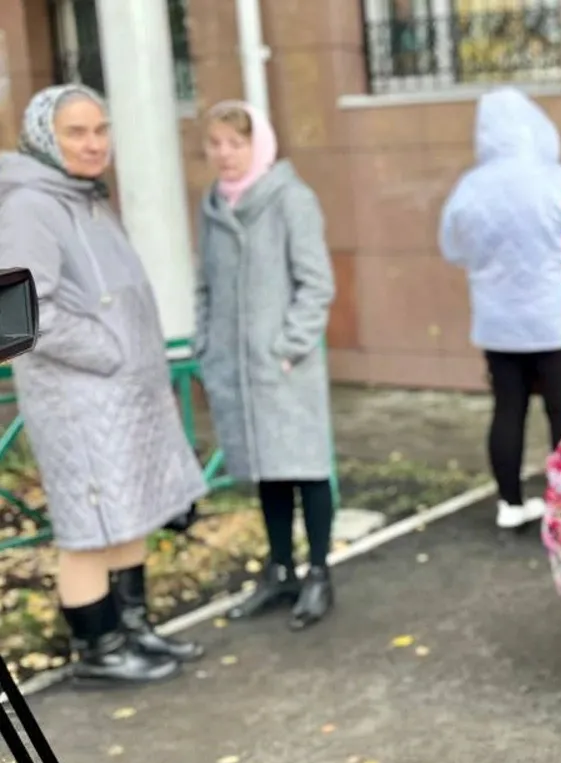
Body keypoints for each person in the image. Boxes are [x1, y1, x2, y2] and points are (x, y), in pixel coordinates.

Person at [0, 85, 210, 685]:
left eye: (100, 130)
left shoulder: (82, 197)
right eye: (77, 132)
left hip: (121, 398)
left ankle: (133, 629)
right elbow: (23, 309)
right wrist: (111, 351)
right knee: (89, 528)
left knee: (129, 513)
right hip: (79, 400)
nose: (94, 144)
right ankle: (101, 648)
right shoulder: (29, 205)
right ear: (46, 137)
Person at [195, 100, 338, 630]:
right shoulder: (212, 205)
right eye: (217, 143)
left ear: (260, 145)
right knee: (267, 471)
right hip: (234, 368)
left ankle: (319, 572)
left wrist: (287, 347)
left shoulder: (290, 200)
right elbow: (204, 284)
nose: (227, 154)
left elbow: (316, 283)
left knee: (305, 467)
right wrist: (208, 348)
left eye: (238, 143)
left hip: (284, 367)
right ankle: (281, 569)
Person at [440, 87, 561, 531]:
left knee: (507, 409)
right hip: (555, 321)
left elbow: (452, 248)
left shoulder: (470, 187)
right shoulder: (558, 181)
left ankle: (510, 503)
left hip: (497, 323)